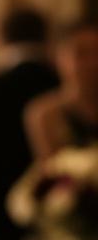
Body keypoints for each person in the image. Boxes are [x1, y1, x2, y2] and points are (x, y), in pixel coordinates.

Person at [0, 7, 61, 240]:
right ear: (46, 38)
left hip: (1, 210)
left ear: (1, 39)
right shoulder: (60, 84)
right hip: (67, 207)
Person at [24, 17, 98, 159]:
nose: (93, 63)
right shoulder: (45, 114)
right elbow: (54, 170)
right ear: (57, 58)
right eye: (82, 53)